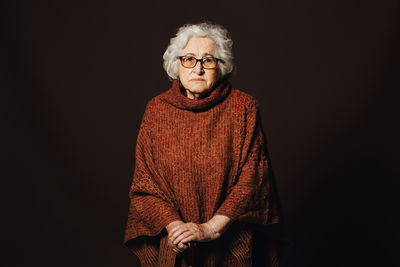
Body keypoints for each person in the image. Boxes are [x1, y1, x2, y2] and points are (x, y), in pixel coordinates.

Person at [124, 22, 281, 267]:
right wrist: (175, 227)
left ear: (222, 66)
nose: (198, 68)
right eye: (189, 59)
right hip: (176, 245)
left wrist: (210, 229)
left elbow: (253, 178)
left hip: (229, 243)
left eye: (208, 60)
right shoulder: (156, 110)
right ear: (176, 64)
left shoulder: (243, 107)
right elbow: (145, 183)